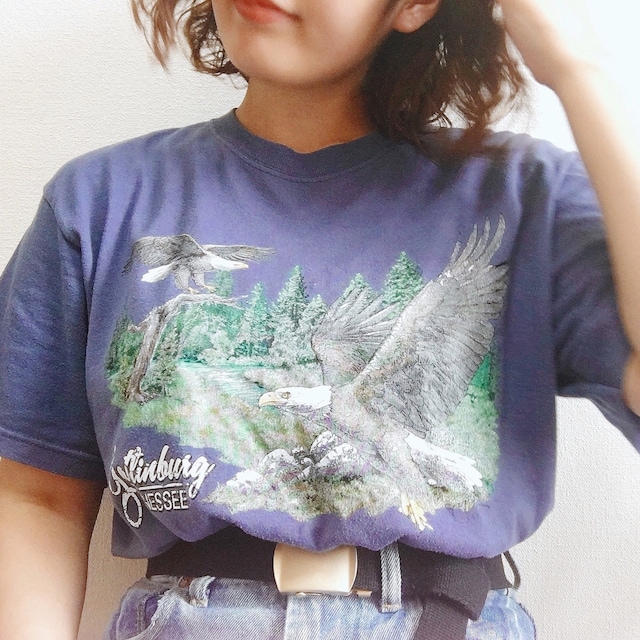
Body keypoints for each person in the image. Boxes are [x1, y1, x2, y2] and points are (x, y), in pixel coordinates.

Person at [1, 0, 639, 638]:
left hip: (443, 618)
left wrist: (583, 70)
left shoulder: (525, 195)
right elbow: (36, 496)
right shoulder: (100, 202)